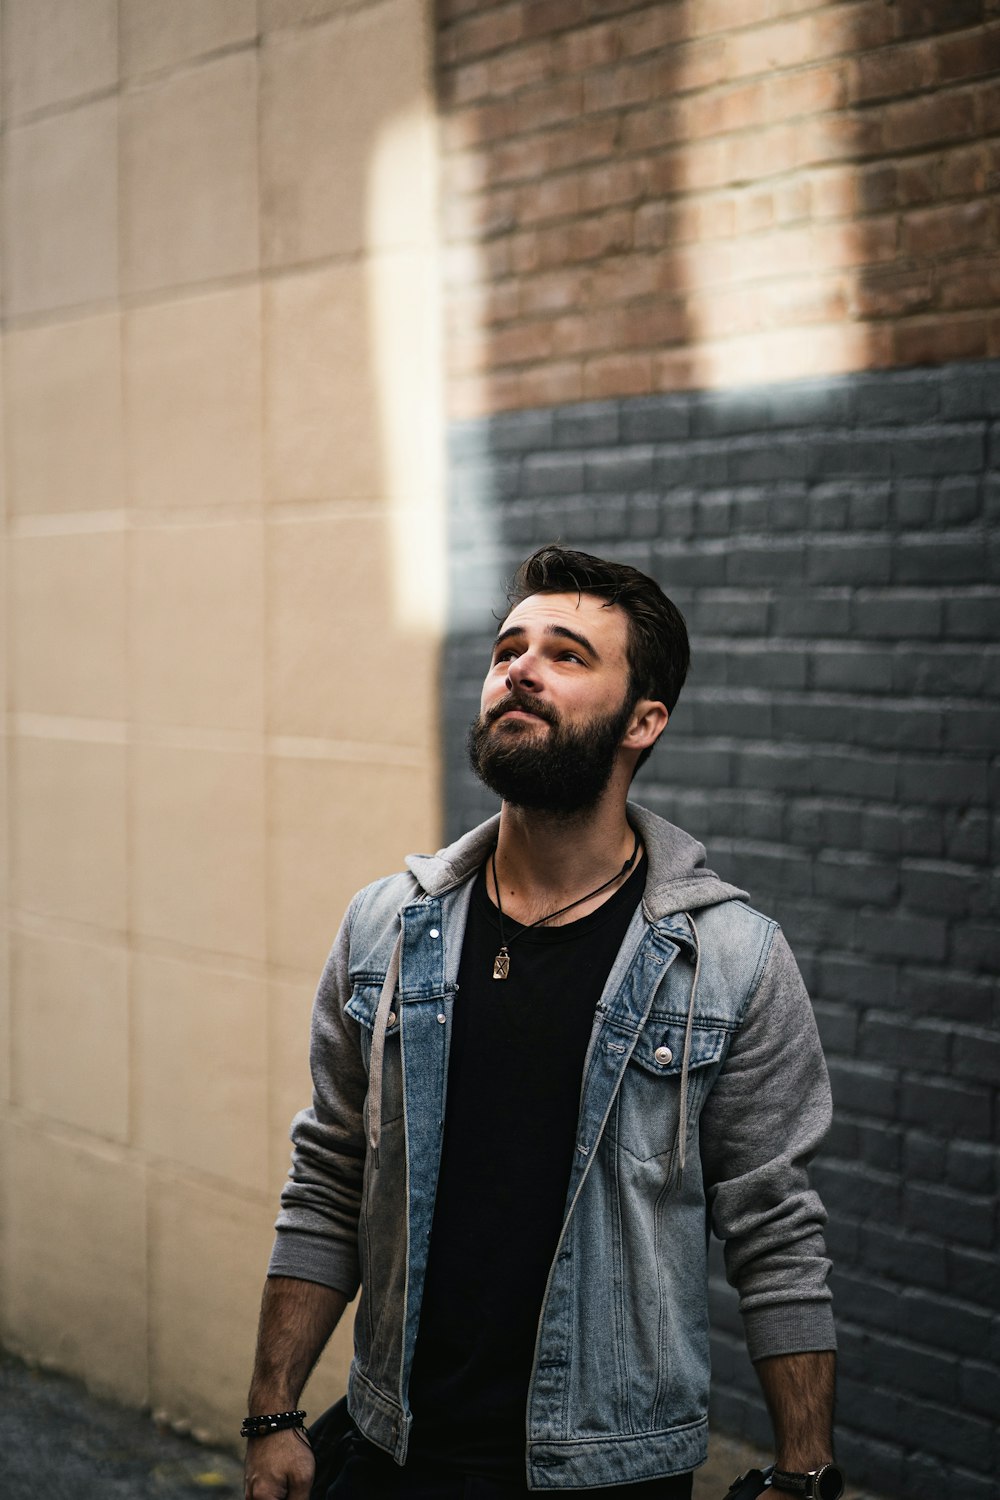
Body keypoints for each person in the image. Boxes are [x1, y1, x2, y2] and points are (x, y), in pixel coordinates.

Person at [244, 546, 843, 1500]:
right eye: (508, 649)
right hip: (391, 1451)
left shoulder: (731, 962)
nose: (518, 669)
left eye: (566, 655)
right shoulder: (387, 931)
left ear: (644, 720)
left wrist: (805, 1468)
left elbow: (775, 1232)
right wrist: (273, 1412)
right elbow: (329, 1176)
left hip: (609, 1473)